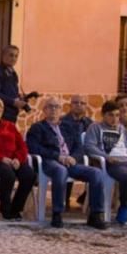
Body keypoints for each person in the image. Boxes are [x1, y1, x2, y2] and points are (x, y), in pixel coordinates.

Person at [27, 98, 107, 229]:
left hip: (70, 162)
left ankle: (95, 215)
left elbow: (79, 146)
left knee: (96, 173)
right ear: (44, 110)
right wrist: (58, 156)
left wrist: (74, 157)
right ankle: (57, 213)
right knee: (60, 171)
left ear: (61, 110)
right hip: (50, 161)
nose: (53, 109)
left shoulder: (68, 127)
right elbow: (34, 147)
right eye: (50, 106)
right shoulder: (38, 127)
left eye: (57, 107)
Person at [85, 100, 127, 226]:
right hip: (111, 163)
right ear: (103, 115)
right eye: (111, 115)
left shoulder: (122, 129)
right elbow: (89, 147)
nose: (115, 118)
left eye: (117, 115)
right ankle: (124, 207)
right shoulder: (95, 127)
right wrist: (106, 157)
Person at [0, 45, 32, 123]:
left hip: (12, 114)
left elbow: (12, 93)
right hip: (1, 114)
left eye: (16, 56)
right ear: (3, 56)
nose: (13, 58)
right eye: (11, 55)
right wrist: (13, 102)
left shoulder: (13, 73)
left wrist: (21, 99)